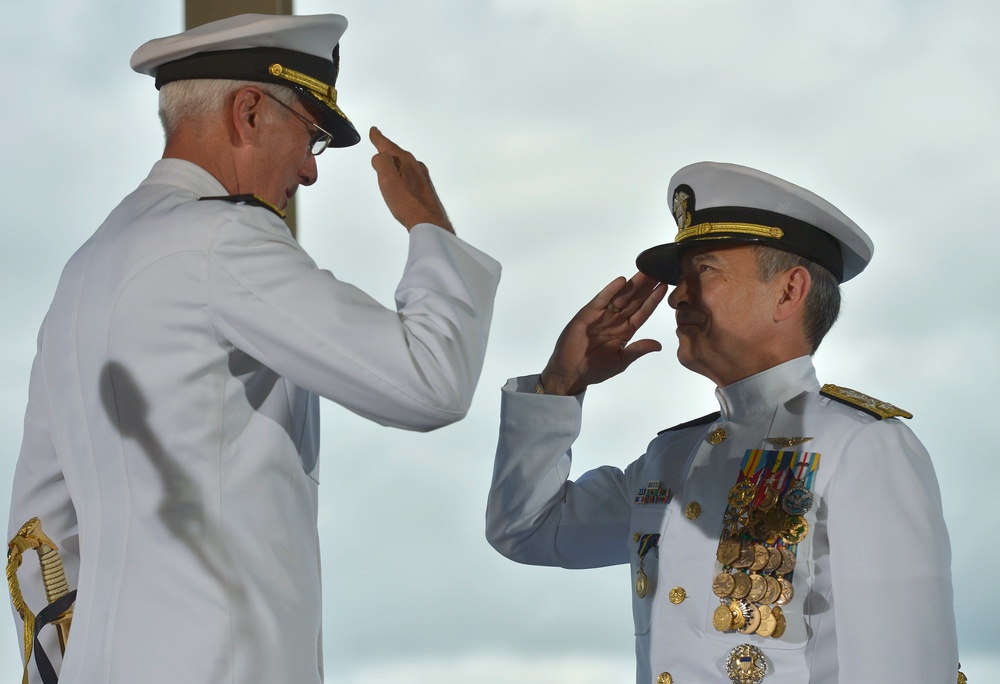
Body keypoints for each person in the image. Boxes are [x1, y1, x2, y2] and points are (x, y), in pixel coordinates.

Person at [7, 13, 500, 684]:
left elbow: (38, 533)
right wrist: (430, 228)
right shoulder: (221, 241)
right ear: (249, 113)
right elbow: (430, 380)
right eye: (311, 137)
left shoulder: (84, 272)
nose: (308, 170)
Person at [486, 162, 958, 683]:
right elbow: (526, 530)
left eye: (704, 271)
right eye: (680, 277)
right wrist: (559, 385)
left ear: (788, 291)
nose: (677, 295)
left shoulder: (864, 446)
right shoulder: (671, 458)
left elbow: (906, 669)